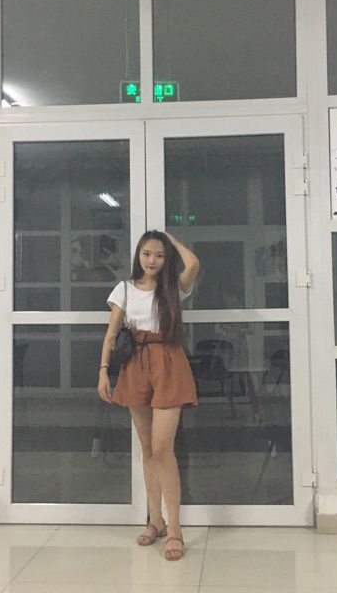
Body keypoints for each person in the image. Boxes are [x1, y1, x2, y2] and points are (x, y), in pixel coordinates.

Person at [97, 230, 200, 561]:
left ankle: (175, 528)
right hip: (136, 364)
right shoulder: (124, 289)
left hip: (168, 361)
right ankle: (155, 521)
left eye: (159, 254)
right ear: (137, 256)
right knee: (147, 449)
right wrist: (103, 370)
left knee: (162, 448)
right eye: (146, 253)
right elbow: (112, 334)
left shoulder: (173, 288)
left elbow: (194, 263)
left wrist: (171, 239)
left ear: (166, 258)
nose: (152, 260)